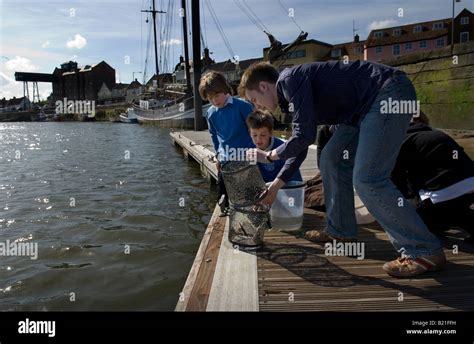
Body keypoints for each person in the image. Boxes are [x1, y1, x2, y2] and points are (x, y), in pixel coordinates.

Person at [239, 60, 446, 278]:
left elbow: (303, 136)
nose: (257, 106)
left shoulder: (289, 80)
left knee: (368, 179)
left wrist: (271, 155)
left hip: (386, 93)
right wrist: (276, 187)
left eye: (254, 99)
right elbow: (300, 145)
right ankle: (341, 231)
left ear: (263, 86)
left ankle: (423, 250)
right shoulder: (290, 96)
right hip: (359, 112)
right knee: (331, 158)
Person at [199, 71, 254, 214]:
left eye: (217, 96)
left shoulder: (243, 106)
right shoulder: (211, 113)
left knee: (249, 193)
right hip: (225, 158)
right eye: (210, 98)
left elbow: (254, 131)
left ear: (225, 89)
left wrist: (256, 153)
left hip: (246, 156)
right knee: (223, 194)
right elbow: (214, 135)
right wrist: (218, 155)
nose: (214, 101)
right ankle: (228, 213)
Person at [246, 109, 303, 183]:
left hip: (283, 188)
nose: (258, 139)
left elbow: (294, 178)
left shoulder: (283, 149)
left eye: (263, 135)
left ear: (270, 133)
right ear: (249, 133)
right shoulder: (249, 148)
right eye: (254, 135)